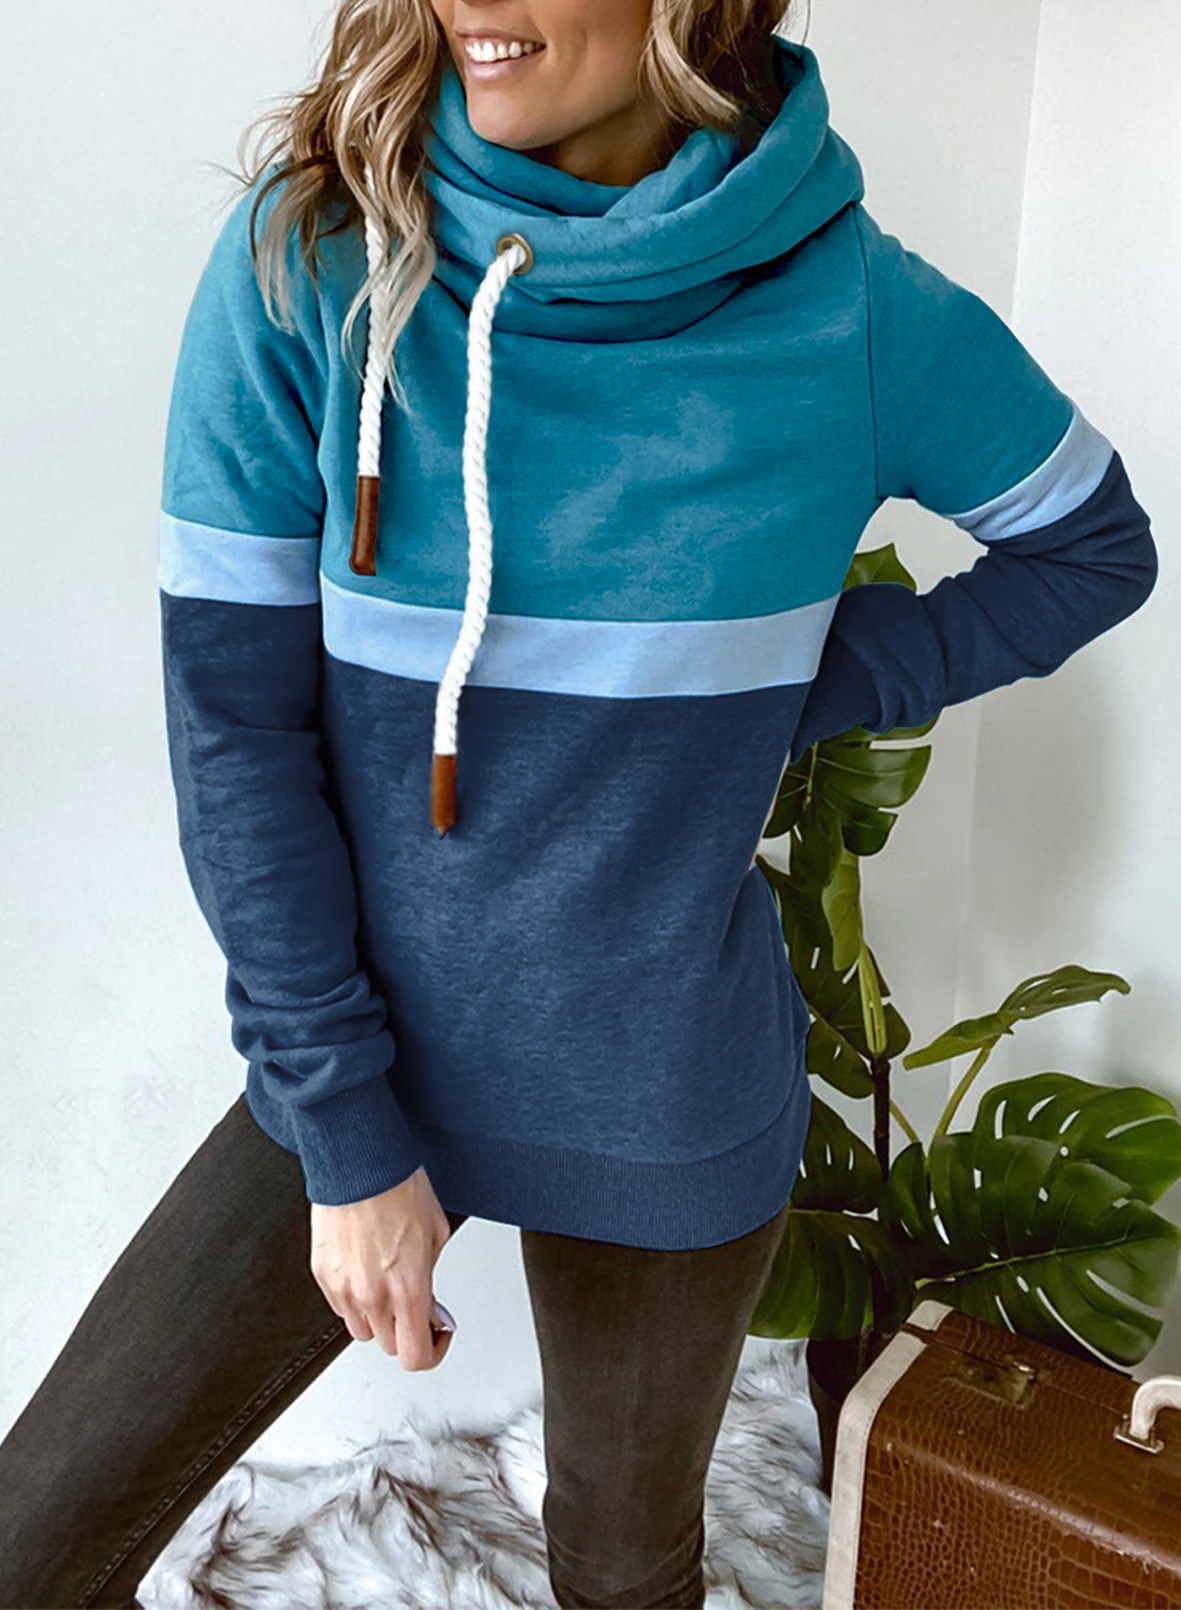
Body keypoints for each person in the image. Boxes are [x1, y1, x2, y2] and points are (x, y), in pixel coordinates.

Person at [0, 0, 1158, 1605]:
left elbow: (1092, 545)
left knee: (622, 1568)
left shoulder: (854, 310)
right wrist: (346, 1139)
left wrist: (788, 686)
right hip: (353, 1040)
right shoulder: (311, 258)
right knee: (33, 1536)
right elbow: (235, 732)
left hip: (665, 1079)